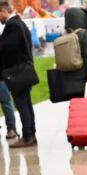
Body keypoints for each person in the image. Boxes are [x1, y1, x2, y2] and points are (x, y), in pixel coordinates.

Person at [0, 2, 36, 148]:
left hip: (17, 72)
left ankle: (28, 136)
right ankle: (31, 134)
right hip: (23, 71)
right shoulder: (19, 23)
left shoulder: (13, 26)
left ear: (3, 11)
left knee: (22, 104)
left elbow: (7, 48)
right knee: (26, 104)